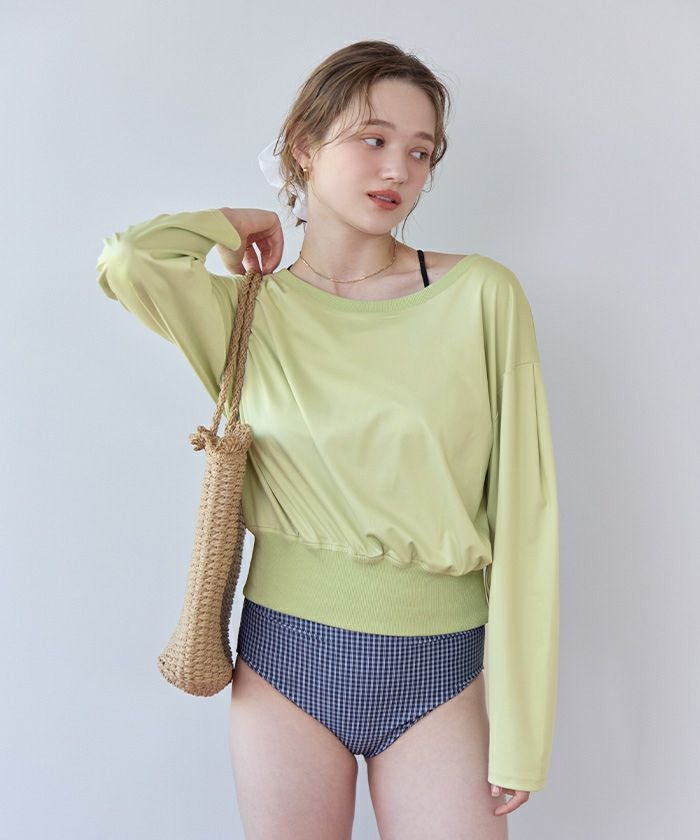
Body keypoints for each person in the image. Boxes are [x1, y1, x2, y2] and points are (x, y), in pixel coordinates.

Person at [96, 39, 559, 840]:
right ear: (304, 146)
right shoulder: (249, 312)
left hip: (442, 672)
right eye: (373, 139)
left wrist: (521, 730)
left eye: (421, 151)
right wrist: (234, 222)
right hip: (282, 663)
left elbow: (528, 517)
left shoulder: (481, 295)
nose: (399, 169)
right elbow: (128, 261)